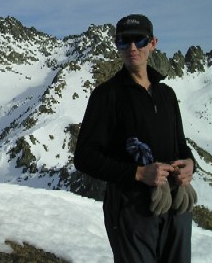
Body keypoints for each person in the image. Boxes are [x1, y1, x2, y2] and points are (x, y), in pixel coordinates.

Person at [74, 14, 196, 263]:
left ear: (153, 43)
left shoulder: (166, 94)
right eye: (124, 41)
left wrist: (190, 164)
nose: (132, 47)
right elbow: (84, 157)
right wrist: (138, 173)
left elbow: (180, 145)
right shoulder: (107, 95)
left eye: (139, 40)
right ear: (116, 45)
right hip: (131, 210)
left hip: (175, 205)